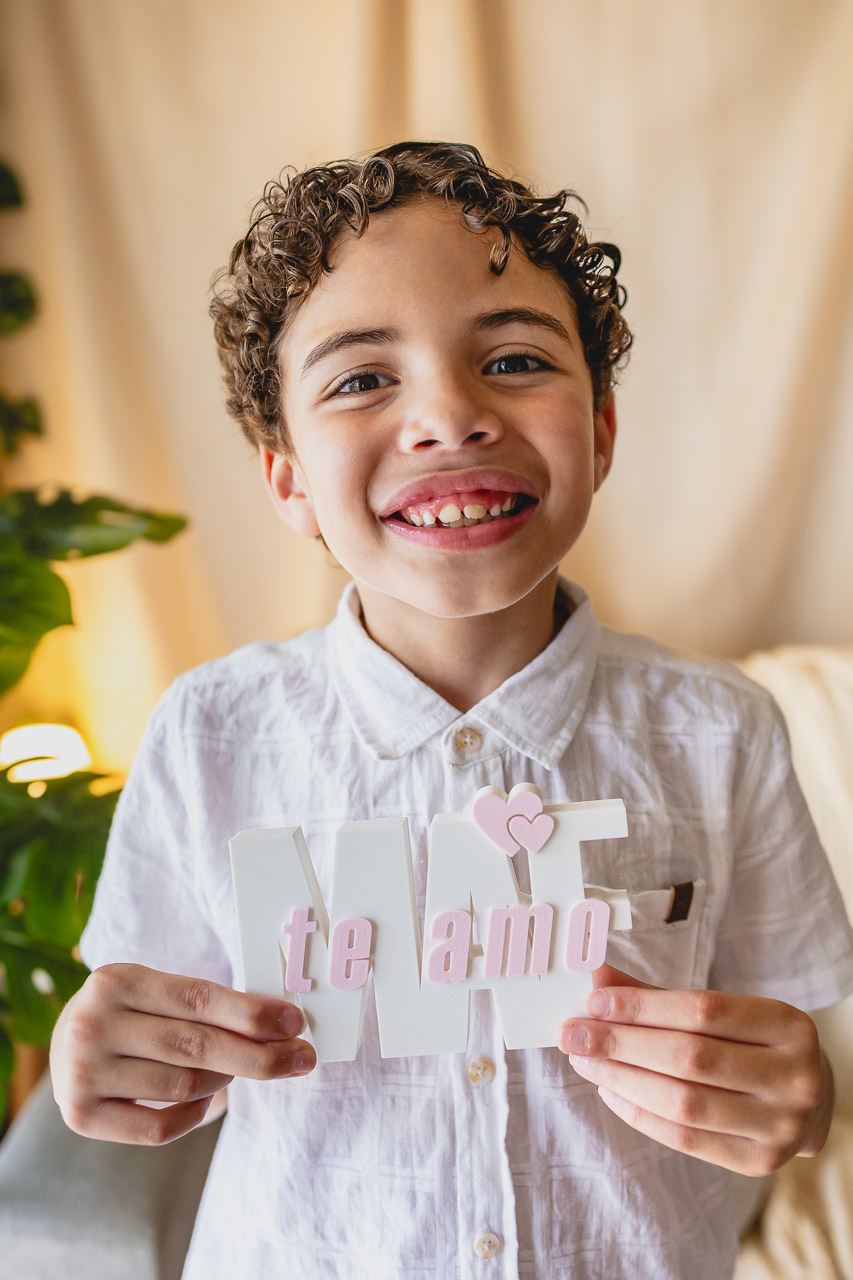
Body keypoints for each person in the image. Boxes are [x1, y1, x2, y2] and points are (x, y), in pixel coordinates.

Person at [50, 141, 853, 1280]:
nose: (449, 416)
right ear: (285, 478)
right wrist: (101, 1064)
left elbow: (782, 1049)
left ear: (603, 430)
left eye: (515, 357)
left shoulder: (722, 731)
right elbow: (139, 1024)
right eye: (362, 378)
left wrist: (793, 1095)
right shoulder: (209, 732)